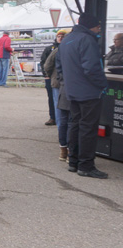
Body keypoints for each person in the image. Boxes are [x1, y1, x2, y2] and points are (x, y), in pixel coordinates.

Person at [56, 13, 109, 179]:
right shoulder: (87, 40)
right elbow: (92, 68)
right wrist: (103, 85)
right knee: (88, 128)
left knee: (76, 124)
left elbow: (60, 67)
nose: (100, 29)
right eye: (98, 26)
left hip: (72, 91)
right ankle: (86, 165)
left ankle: (74, 162)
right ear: (91, 26)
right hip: (88, 91)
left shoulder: (67, 40)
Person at [43, 33, 69, 161]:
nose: (61, 38)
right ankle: (67, 148)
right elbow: (46, 65)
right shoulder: (55, 50)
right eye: (59, 36)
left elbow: (47, 66)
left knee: (61, 113)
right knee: (64, 115)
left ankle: (63, 147)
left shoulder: (58, 50)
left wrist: (52, 76)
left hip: (57, 83)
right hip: (63, 84)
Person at [40, 33, 61, 125]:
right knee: (52, 98)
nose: (60, 38)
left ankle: (61, 119)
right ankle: (53, 117)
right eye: (59, 36)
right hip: (51, 78)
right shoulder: (50, 49)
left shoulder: (67, 48)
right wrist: (46, 75)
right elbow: (44, 63)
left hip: (63, 79)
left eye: (63, 36)